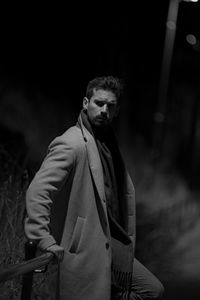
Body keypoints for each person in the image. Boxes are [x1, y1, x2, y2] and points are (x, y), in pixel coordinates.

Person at [24, 76, 164, 300]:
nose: (104, 110)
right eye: (99, 103)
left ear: (116, 111)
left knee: (152, 289)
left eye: (110, 106)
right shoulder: (71, 143)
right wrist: (43, 238)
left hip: (111, 243)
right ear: (86, 103)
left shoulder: (107, 144)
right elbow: (38, 192)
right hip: (85, 247)